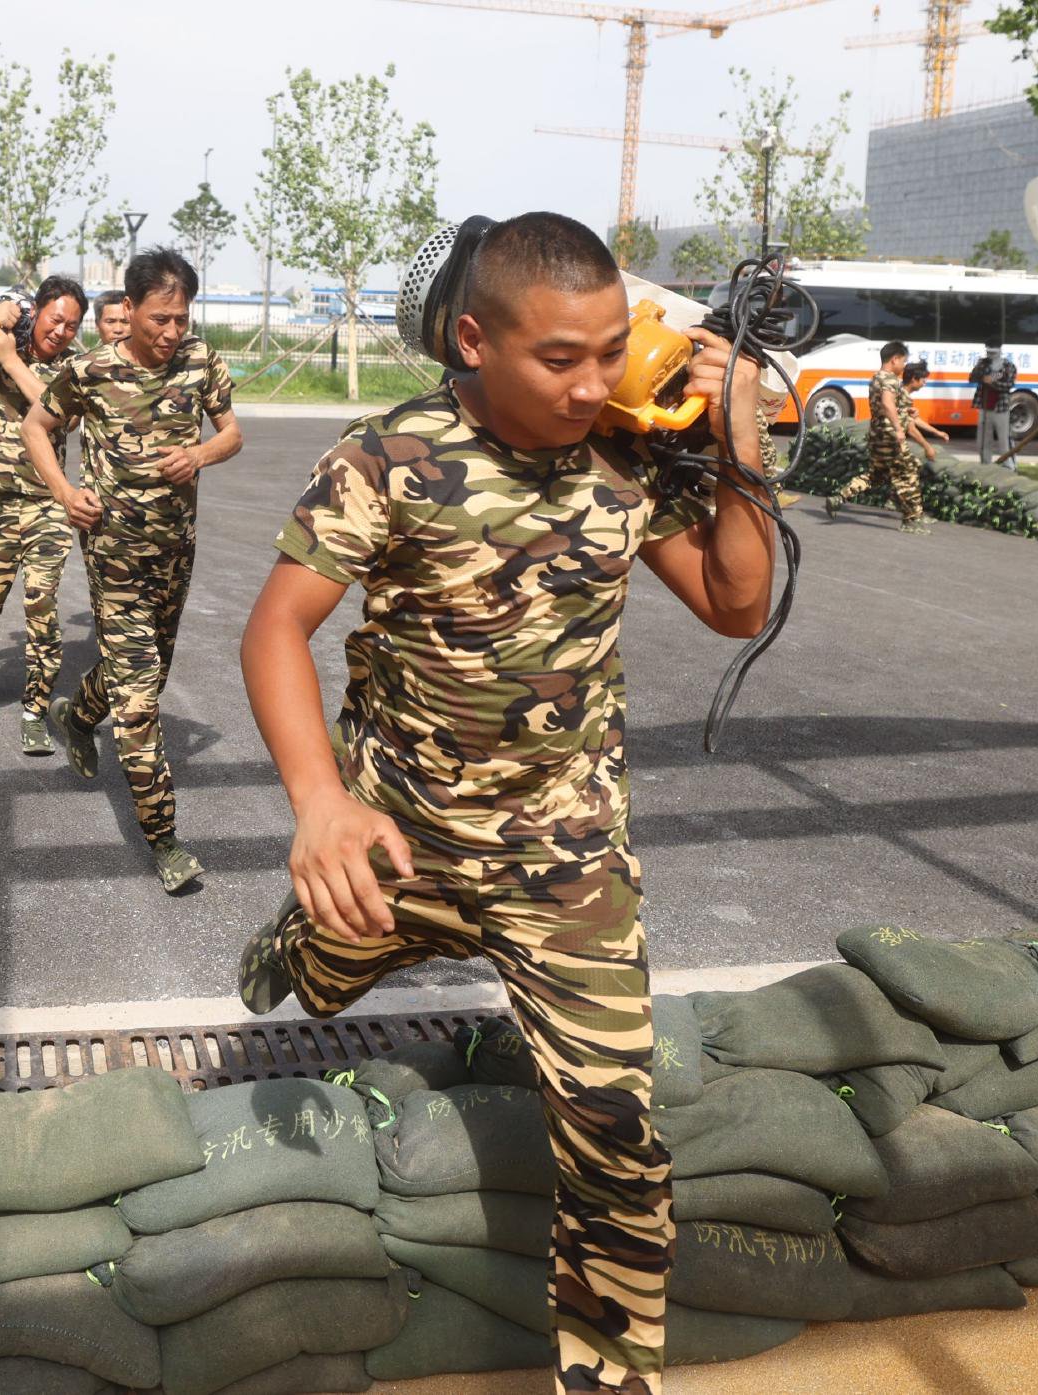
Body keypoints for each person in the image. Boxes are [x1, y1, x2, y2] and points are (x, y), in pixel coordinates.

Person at [232, 212, 776, 1394]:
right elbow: (277, 625)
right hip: (399, 837)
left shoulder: (630, 456)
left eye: (605, 351)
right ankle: (295, 947)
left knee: (615, 1132)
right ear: (472, 340)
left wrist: (738, 452)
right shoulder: (387, 458)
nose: (591, 385)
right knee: (318, 980)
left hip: (563, 853)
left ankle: (607, 1375)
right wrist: (317, 804)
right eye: (557, 360)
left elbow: (735, 606)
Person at [22, 248, 243, 894]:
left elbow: (233, 434)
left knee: (143, 676)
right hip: (113, 553)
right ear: (130, 309)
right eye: (161, 319)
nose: (173, 331)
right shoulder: (91, 372)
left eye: (182, 318)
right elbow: (38, 427)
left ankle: (75, 715)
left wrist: (201, 452)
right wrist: (65, 492)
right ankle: (165, 839)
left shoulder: (202, 361)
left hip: (176, 549)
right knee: (141, 701)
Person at [0, 276, 88, 752]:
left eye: (72, 324)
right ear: (36, 312)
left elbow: (62, 416)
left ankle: (34, 711)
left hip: (46, 506)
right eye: (55, 319)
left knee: (42, 608)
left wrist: (11, 360)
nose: (62, 331)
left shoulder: (75, 367)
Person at [825, 341, 928, 534]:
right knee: (907, 474)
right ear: (894, 359)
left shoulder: (876, 378)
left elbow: (888, 405)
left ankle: (840, 497)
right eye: (903, 361)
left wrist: (906, 412)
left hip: (876, 435)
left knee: (876, 474)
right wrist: (898, 428)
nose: (904, 366)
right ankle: (911, 520)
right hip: (890, 436)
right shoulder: (889, 379)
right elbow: (887, 403)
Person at [969, 336, 1018, 465]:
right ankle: (985, 464)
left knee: (1003, 439)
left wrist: (991, 381)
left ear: (1000, 351)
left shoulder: (1008, 366)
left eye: (993, 353)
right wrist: (983, 372)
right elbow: (972, 378)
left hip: (1001, 408)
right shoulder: (983, 363)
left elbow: (1008, 384)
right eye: (989, 352)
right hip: (984, 407)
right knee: (983, 440)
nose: (991, 355)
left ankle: (1009, 466)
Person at [899, 358, 950, 463]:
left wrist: (937, 432)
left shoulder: (901, 392)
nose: (924, 383)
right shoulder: (903, 397)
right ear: (914, 379)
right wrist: (927, 447)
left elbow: (914, 419)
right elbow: (911, 429)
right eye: (923, 380)